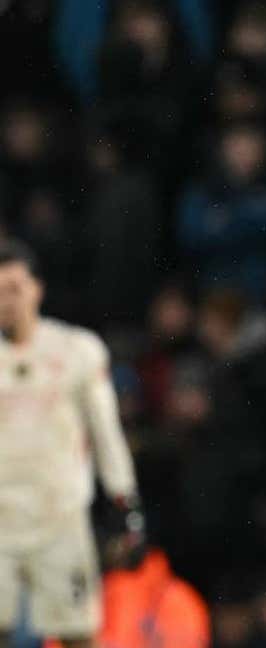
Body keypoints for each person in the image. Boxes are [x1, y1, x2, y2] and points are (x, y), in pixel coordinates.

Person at [0, 238, 142, 648]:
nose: (7, 300)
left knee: (79, 634)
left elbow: (106, 434)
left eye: (15, 288)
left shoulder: (76, 351)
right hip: (2, 522)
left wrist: (124, 503)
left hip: (59, 518)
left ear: (37, 289)